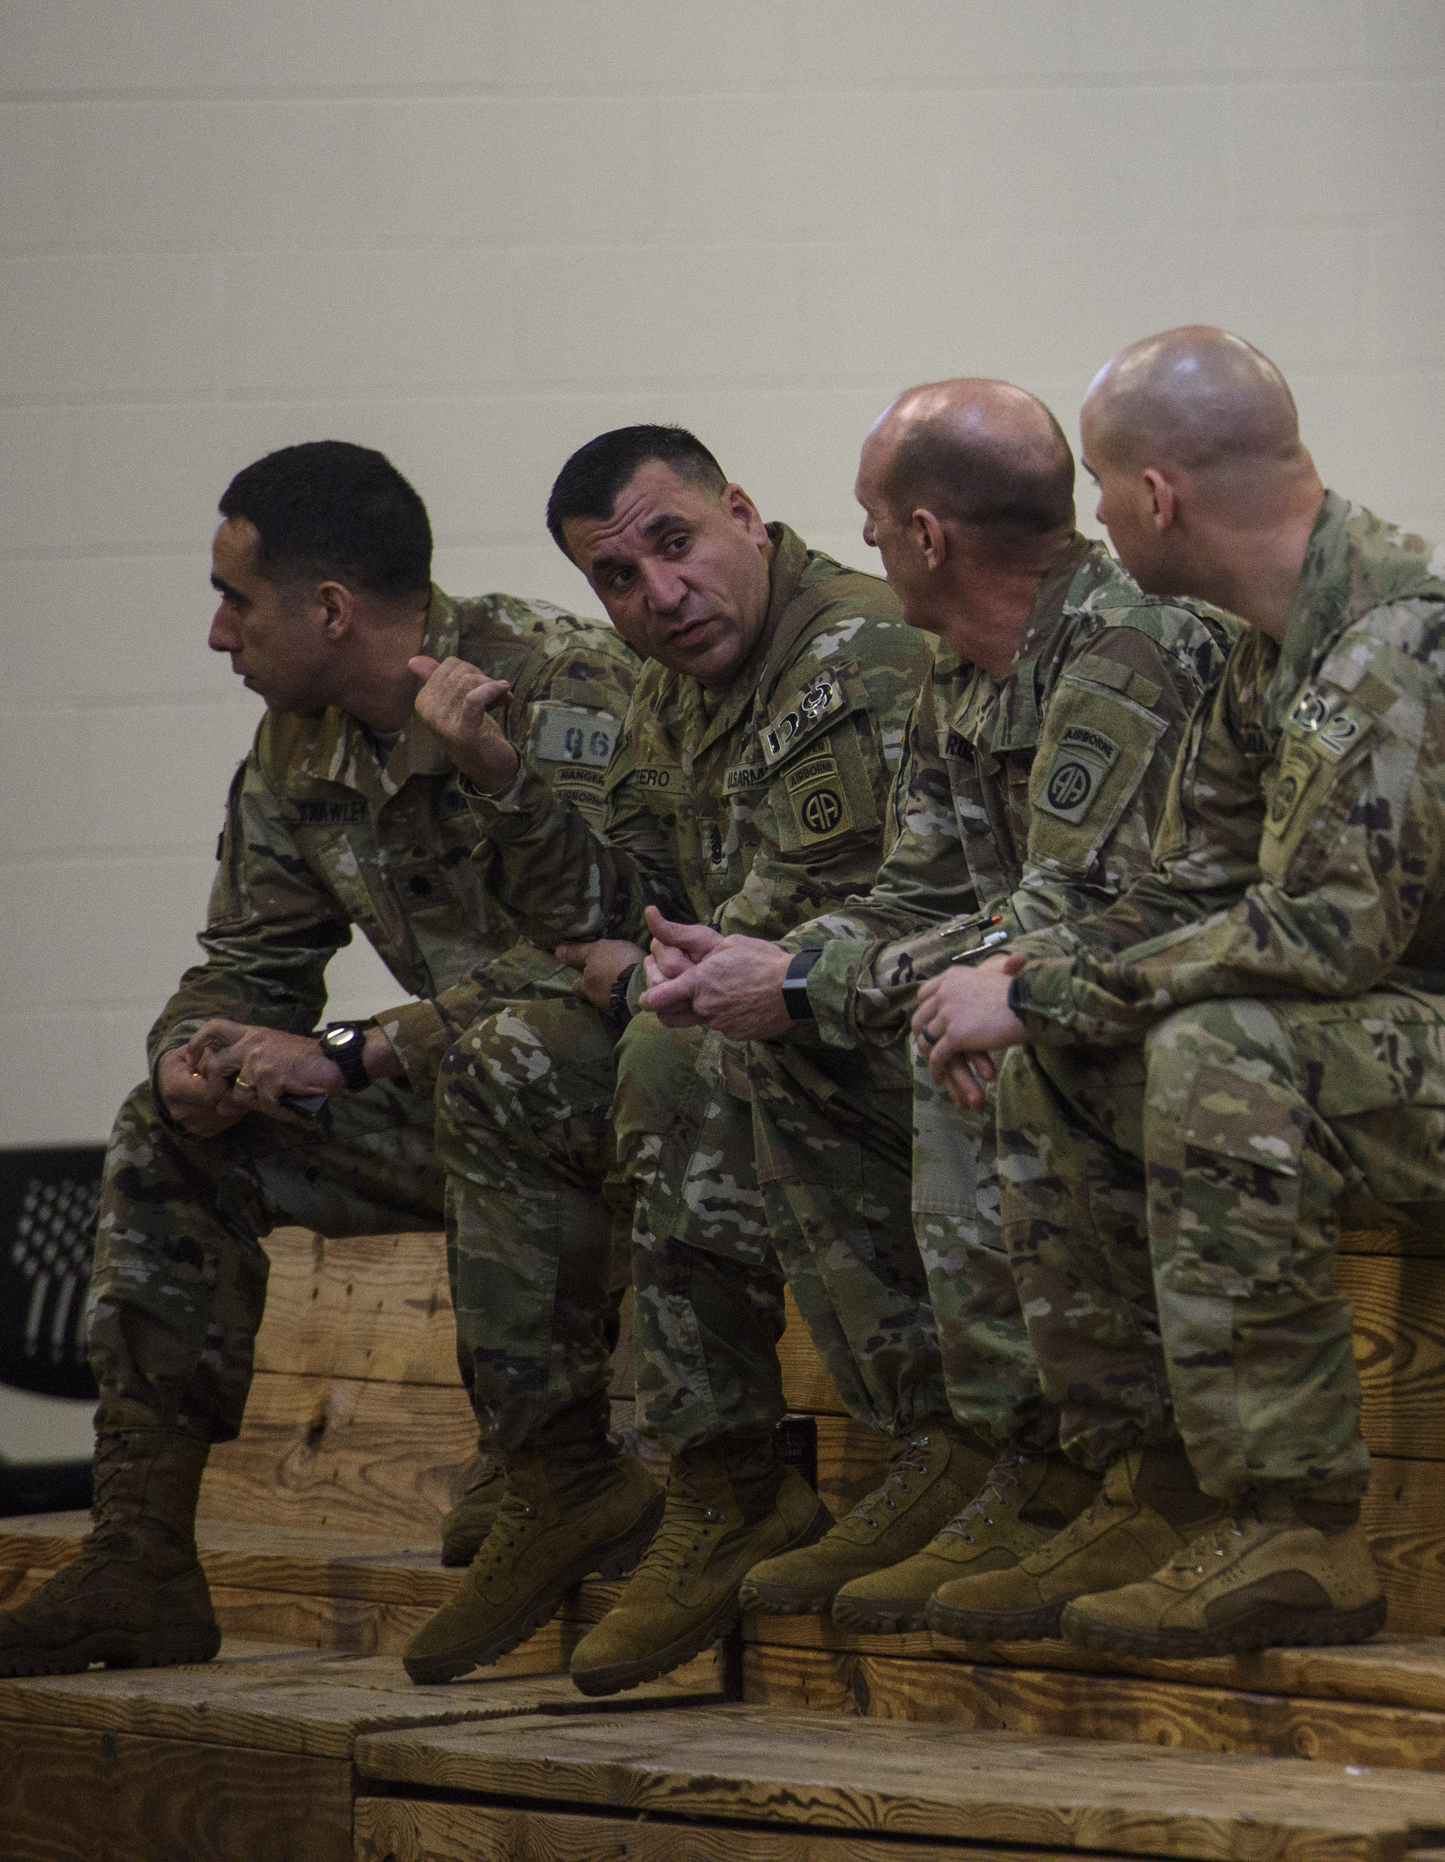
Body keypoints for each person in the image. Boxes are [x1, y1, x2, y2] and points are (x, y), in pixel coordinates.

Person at [913, 326, 1445, 1656]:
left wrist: (1060, 987)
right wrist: (1022, 979)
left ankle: (1293, 1525)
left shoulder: (1401, 646)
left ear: (1156, 498)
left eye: (1101, 485)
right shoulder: (1269, 640)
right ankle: (1156, 1484)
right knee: (1061, 1054)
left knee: (1222, 1054)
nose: (1095, 515)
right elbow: (1197, 881)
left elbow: (1319, 938)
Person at [0, 444, 642, 1679]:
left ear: (331, 609)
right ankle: (139, 1552)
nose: (214, 632)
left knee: (509, 1061)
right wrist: (201, 1051)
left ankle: (553, 1466)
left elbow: (602, 955)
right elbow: (248, 957)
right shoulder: (301, 747)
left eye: (235, 597)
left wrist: (349, 1050)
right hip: (463, 1115)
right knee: (167, 1126)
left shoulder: (562, 687)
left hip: (626, 1112)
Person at [649, 378, 1242, 1637]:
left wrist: (814, 980)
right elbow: (914, 893)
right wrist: (768, 961)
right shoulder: (958, 671)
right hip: (1067, 986)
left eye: (872, 522)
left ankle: (1080, 1465)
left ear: (930, 537)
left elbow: (1067, 919)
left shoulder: (1127, 646)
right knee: (771, 1051)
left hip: (1177, 1010)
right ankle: (957, 1447)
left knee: (976, 1041)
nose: (861, 546)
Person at [422, 426, 935, 1694]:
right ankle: (558, 1475)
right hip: (773, 1017)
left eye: (674, 542)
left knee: (675, 1047)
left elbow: (821, 931)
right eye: (615, 577)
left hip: (916, 1024)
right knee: (506, 1059)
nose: (657, 595)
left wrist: (657, 973)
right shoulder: (672, 687)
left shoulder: (848, 658)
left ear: (744, 517)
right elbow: (625, 896)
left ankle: (744, 1479)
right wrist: (501, 781)